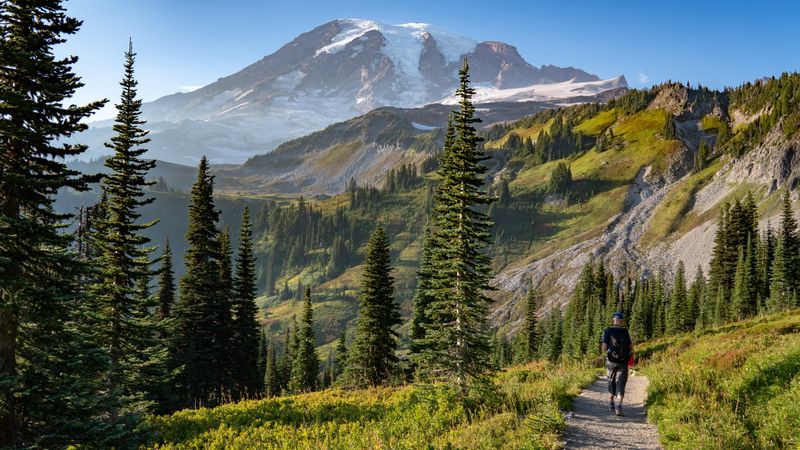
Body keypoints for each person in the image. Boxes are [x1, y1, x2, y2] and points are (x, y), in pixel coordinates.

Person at [601, 311, 633, 416]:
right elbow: (631, 347)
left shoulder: (608, 331)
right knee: (621, 382)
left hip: (611, 361)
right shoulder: (625, 331)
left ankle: (611, 403)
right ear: (621, 321)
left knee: (611, 380)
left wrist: (606, 350)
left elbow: (604, 348)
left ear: (613, 320)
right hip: (623, 361)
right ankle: (619, 406)